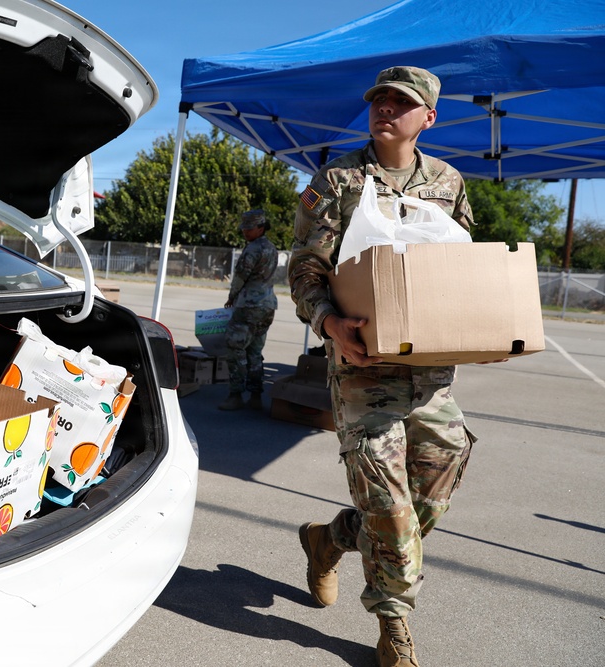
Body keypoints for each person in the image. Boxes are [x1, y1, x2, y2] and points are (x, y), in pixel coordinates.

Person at [287, 66, 475, 667]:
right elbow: (305, 272)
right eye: (380, 100)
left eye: (403, 102)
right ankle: (394, 626)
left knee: (432, 493)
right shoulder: (337, 180)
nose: (386, 109)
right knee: (390, 508)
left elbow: (459, 268)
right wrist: (328, 323)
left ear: (428, 118)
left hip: (430, 375)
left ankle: (329, 539)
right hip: (362, 367)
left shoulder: (448, 182)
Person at [218, 209, 279, 411]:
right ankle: (255, 397)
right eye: (244, 228)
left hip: (249, 306)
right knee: (255, 351)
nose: (245, 232)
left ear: (260, 228)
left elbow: (240, 277)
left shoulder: (253, 249)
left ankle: (235, 395)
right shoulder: (271, 248)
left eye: (249, 228)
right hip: (267, 305)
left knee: (235, 348)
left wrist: (231, 297)